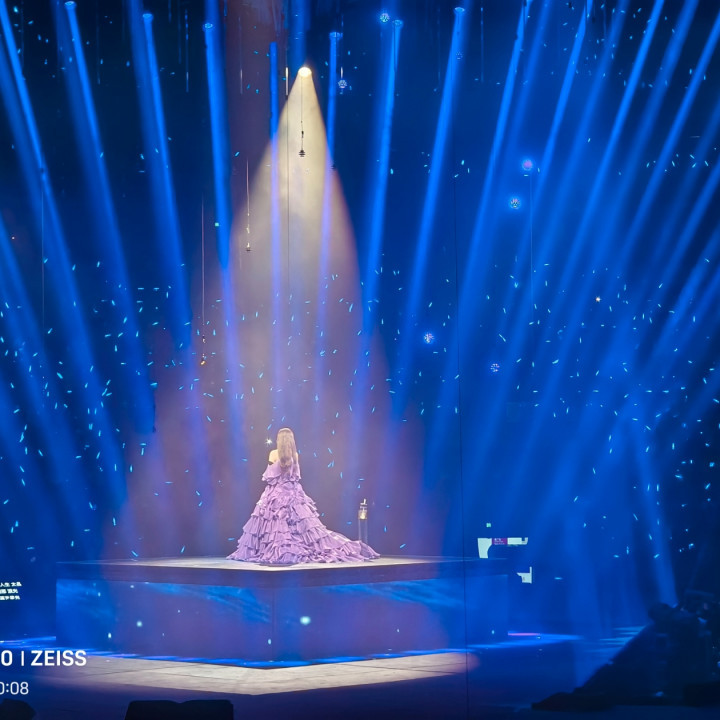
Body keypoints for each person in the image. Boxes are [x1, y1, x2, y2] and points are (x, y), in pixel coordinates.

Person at [227, 428, 379, 564]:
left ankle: (275, 549)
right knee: (300, 526)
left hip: (275, 494)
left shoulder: (273, 454)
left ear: (279, 440)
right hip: (293, 494)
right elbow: (295, 476)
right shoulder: (295, 455)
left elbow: (269, 477)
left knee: (272, 523)